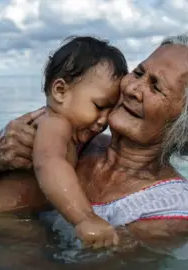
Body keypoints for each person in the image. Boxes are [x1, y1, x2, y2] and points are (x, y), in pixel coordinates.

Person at [0, 33, 188, 255]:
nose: (132, 88)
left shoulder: (171, 215)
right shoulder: (74, 139)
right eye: (139, 72)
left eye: (155, 87)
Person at [30, 36, 127, 248]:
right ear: (60, 91)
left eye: (111, 110)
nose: (105, 120)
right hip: (8, 226)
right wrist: (85, 218)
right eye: (99, 106)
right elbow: (49, 162)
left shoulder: (63, 129)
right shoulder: (55, 124)